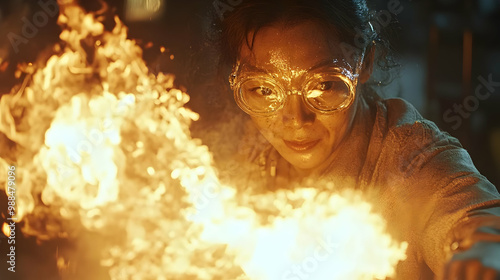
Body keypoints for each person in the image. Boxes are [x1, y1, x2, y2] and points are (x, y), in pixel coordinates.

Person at [205, 0, 500, 279]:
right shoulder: (232, 163)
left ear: (365, 62)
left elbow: (472, 213)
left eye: (324, 85)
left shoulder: (412, 162)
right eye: (265, 90)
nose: (295, 119)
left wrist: (482, 249)